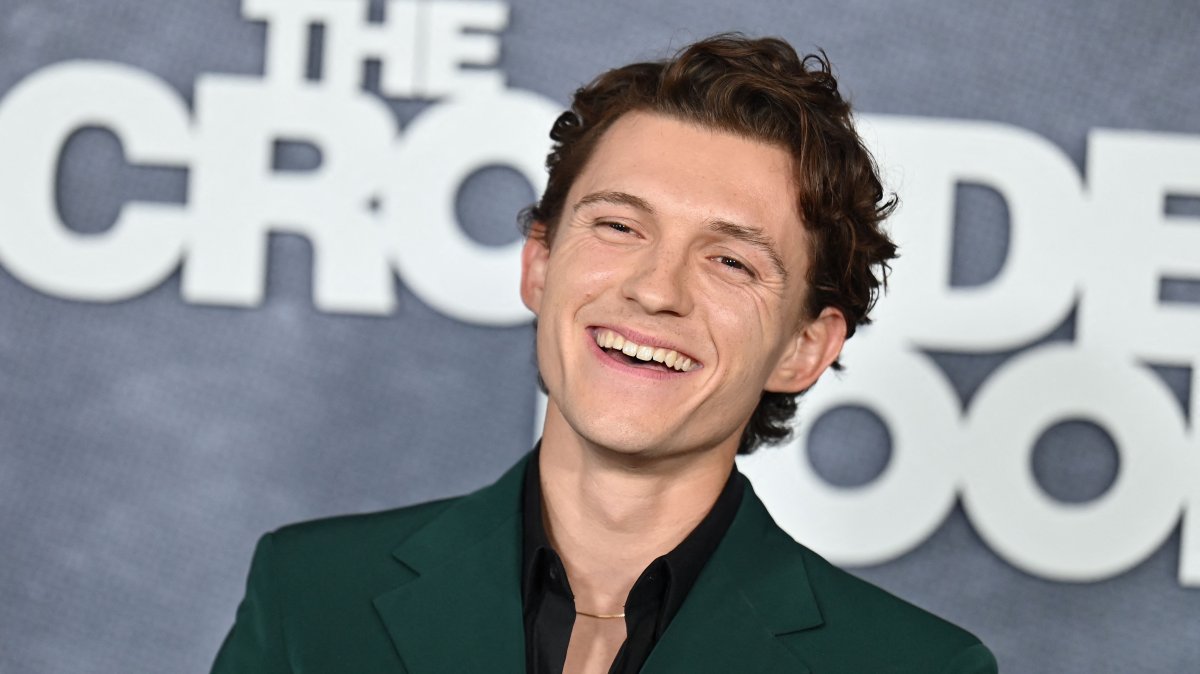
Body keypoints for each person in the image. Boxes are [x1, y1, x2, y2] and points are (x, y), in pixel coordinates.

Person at [212, 34, 998, 673]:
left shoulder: (914, 668)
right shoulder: (311, 597)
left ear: (804, 347)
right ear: (539, 264)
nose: (656, 290)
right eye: (620, 226)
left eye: (730, 261)